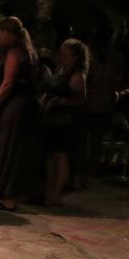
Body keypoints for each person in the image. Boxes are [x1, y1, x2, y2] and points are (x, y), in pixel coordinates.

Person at [0, 16, 40, 211]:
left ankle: (7, 196)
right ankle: (4, 194)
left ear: (9, 34)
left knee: (8, 148)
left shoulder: (14, 52)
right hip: (24, 106)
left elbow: (8, 83)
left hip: (14, 107)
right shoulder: (28, 53)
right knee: (13, 149)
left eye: (0, 33)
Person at [43, 39, 89, 205]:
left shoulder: (77, 74)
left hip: (66, 120)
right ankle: (48, 191)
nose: (61, 56)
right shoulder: (60, 69)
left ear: (75, 57)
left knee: (61, 156)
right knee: (49, 156)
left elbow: (80, 100)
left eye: (65, 54)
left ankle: (57, 193)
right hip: (52, 118)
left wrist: (59, 102)